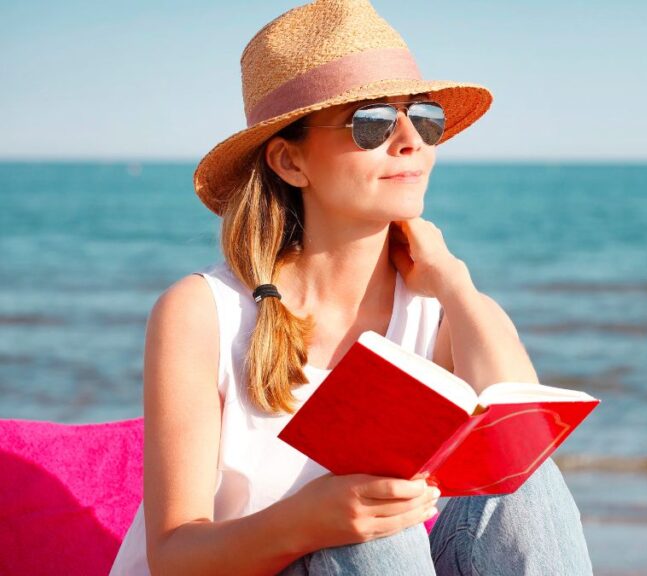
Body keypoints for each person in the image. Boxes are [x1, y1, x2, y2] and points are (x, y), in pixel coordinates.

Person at [108, 0, 594, 574]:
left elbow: (520, 454)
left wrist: (458, 286)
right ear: (290, 162)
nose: (412, 141)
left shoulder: (435, 303)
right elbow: (173, 556)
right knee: (374, 537)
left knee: (527, 492)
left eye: (425, 117)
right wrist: (310, 519)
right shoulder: (201, 312)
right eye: (372, 123)